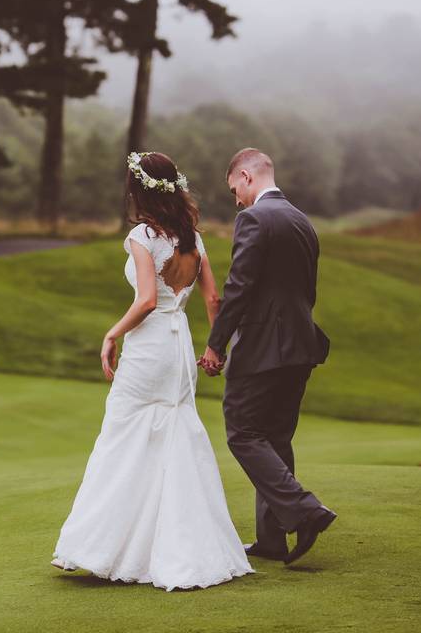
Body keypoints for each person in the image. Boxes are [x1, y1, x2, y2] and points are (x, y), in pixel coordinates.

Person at [50, 151, 254, 590]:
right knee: (175, 434)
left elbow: (145, 301)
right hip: (178, 347)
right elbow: (214, 299)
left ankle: (103, 549)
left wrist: (112, 333)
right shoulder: (193, 239)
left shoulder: (143, 235)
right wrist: (215, 348)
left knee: (123, 435)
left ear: (139, 190)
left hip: (149, 348)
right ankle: (184, 549)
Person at [198, 148, 335, 565]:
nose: (235, 199)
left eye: (234, 189)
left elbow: (240, 287)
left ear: (245, 176)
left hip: (262, 347)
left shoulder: (254, 218)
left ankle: (305, 510)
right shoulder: (302, 220)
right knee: (275, 438)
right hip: (301, 345)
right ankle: (272, 540)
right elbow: (305, 292)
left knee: (242, 433)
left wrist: (215, 344)